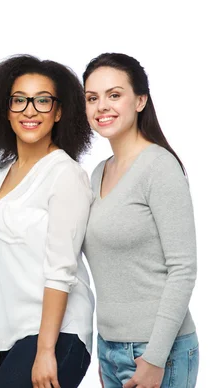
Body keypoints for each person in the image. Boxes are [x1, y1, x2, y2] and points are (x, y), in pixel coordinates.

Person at [0, 54, 94, 388]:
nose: (30, 110)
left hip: (56, 335)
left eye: (42, 101)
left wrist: (45, 350)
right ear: (6, 109)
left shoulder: (65, 174)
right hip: (7, 338)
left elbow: (61, 269)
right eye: (20, 100)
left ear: (58, 112)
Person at [83, 53, 199, 388]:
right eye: (93, 98)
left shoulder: (158, 167)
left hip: (157, 351)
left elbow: (183, 268)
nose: (102, 106)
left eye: (114, 95)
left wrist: (154, 358)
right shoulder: (97, 174)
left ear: (140, 100)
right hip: (110, 348)